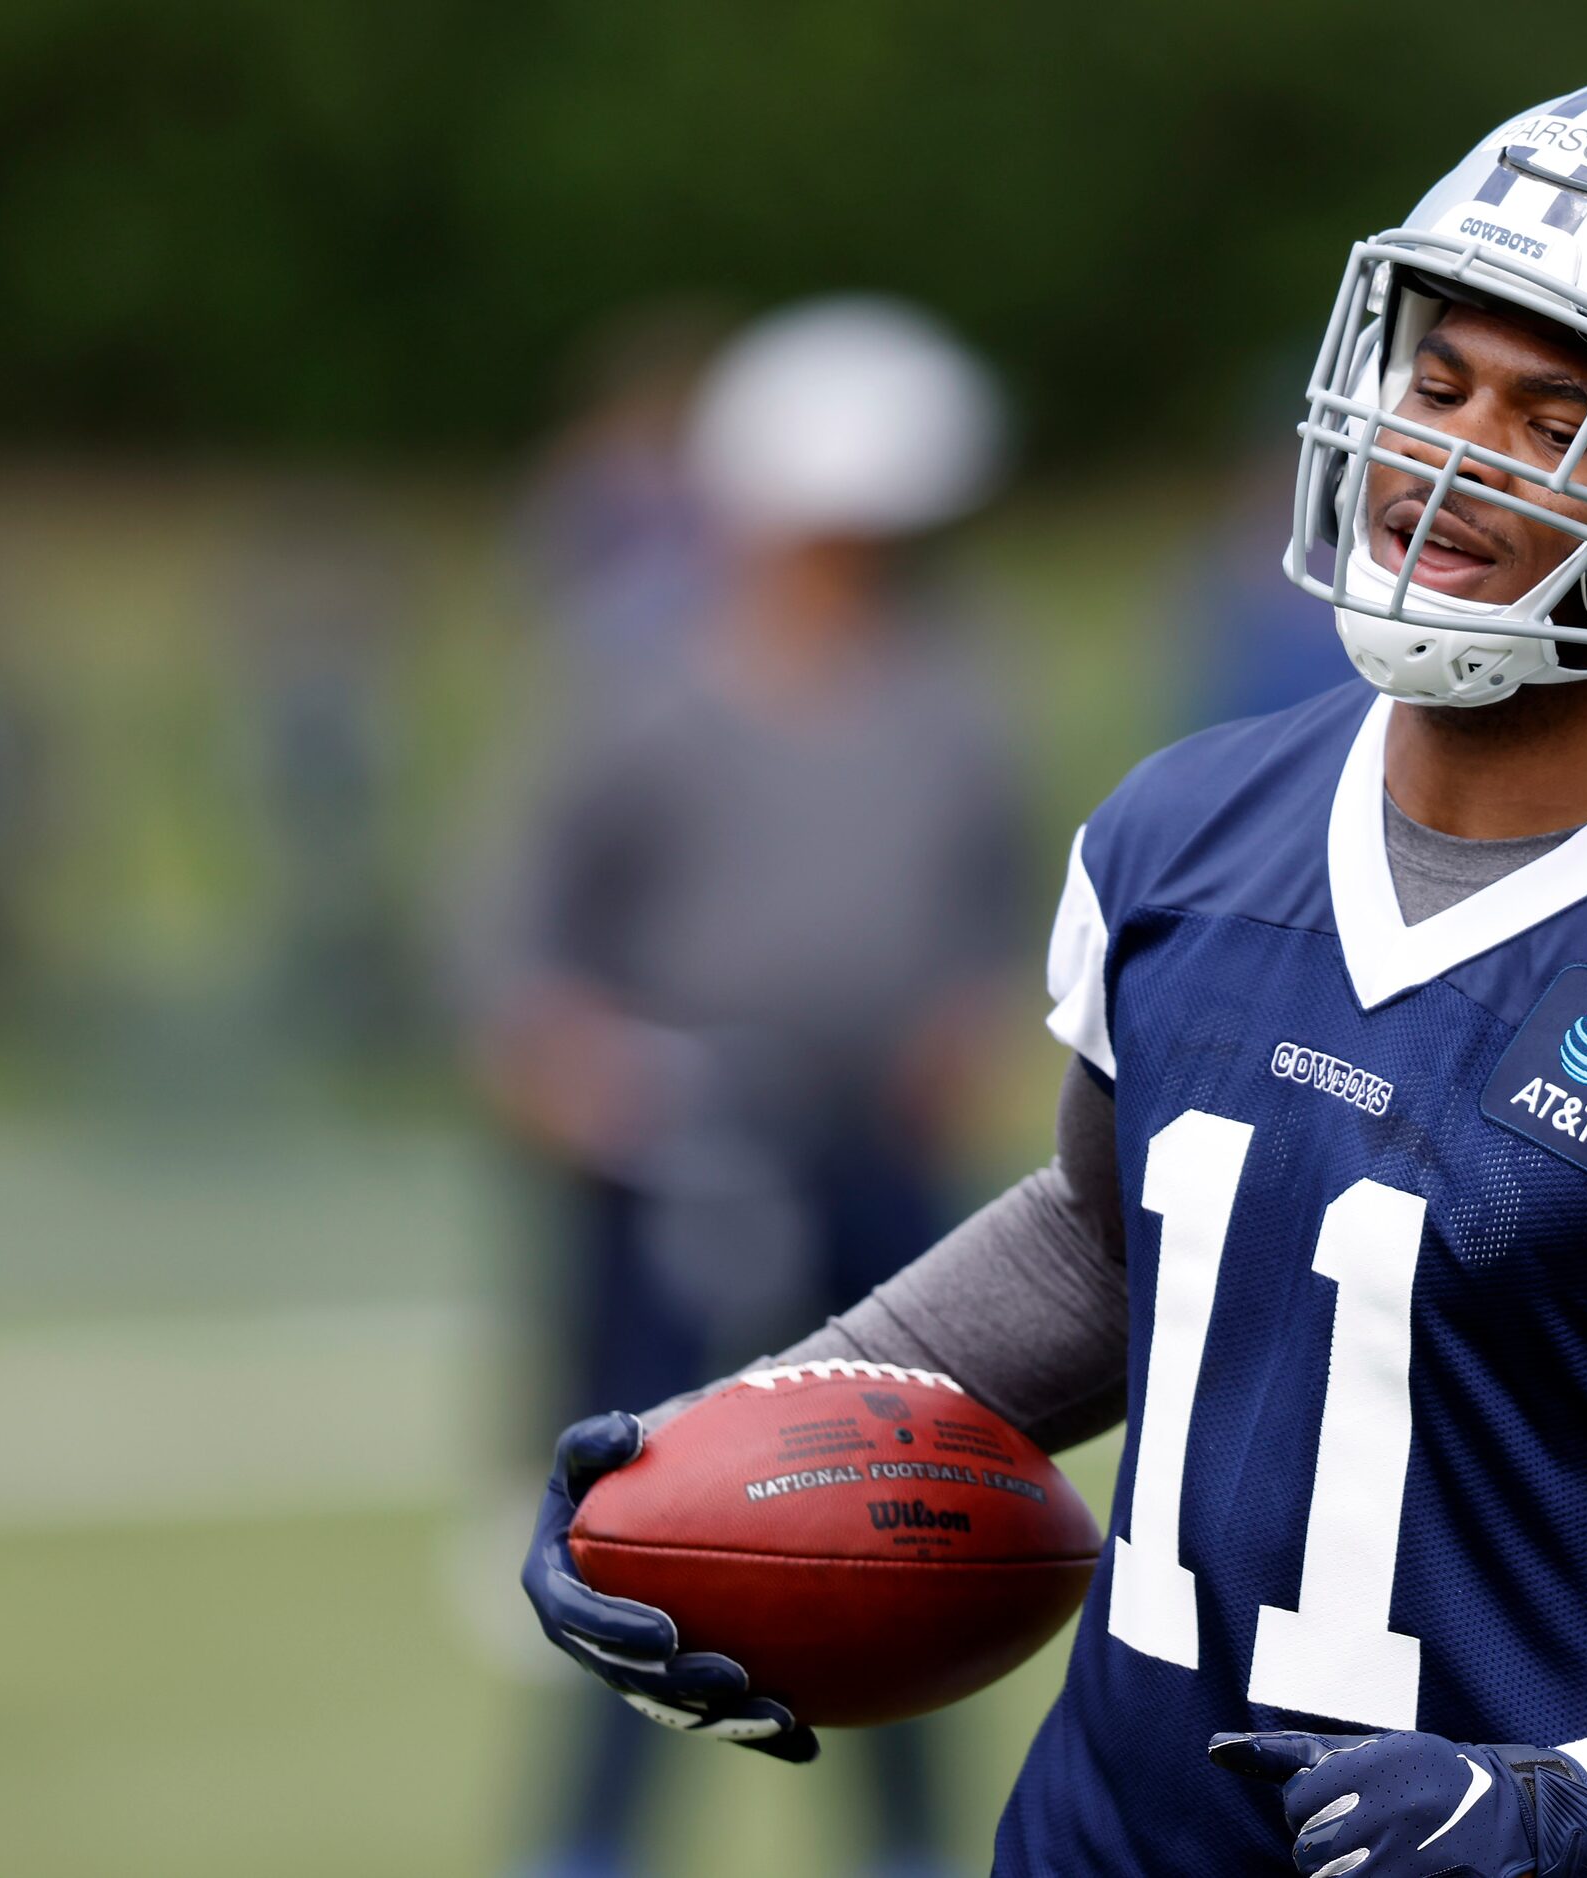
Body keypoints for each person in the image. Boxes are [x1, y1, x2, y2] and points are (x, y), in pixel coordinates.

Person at [523, 80, 1587, 1878]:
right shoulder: (1187, 828)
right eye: (1438, 381)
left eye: (1563, 417)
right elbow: (1105, 1235)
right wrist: (730, 1445)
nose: (1448, 456)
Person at [474, 298, 1020, 1878]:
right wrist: (576, 1068)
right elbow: (516, 938)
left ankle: (910, 1849)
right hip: (676, 1160)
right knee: (634, 1542)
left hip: (875, 1167)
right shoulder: (636, 689)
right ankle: (591, 1844)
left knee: (915, 1534)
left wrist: (963, 1029)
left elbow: (989, 907)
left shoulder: (950, 691)